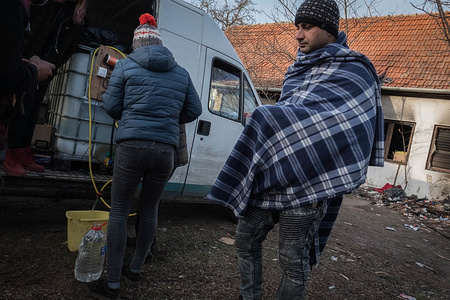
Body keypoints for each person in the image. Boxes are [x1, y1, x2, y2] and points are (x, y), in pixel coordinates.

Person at [207, 0, 385, 299]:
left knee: (292, 258)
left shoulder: (355, 70)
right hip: (273, 174)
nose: (298, 35)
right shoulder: (296, 70)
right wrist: (274, 120)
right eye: (297, 28)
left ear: (328, 31)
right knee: (245, 240)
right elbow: (294, 116)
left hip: (312, 182)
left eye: (307, 28)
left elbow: (346, 127)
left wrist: (270, 117)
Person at [88, 13, 202, 299]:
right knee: (150, 209)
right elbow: (194, 110)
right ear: (160, 45)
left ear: (137, 46)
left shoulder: (125, 67)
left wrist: (133, 113)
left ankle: (112, 284)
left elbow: (112, 106)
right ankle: (135, 268)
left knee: (118, 211)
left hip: (132, 147)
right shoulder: (182, 73)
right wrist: (168, 116)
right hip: (165, 150)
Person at [1, 0, 87, 176]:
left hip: (47, 67)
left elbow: (70, 47)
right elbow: (22, 30)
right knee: (18, 107)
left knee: (32, 109)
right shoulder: (42, 4)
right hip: (28, 61)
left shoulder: (76, 17)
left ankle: (23, 150)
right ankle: (9, 152)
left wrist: (56, 64)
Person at [0, 0, 55, 152]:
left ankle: (20, 151)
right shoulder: (12, 6)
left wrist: (17, 63)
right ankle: (13, 152)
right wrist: (34, 71)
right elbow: (8, 74)